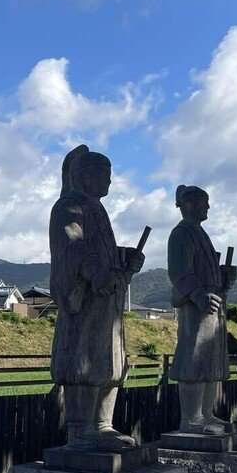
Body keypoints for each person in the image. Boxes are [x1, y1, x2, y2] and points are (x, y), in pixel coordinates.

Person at [49, 146, 146, 449]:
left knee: (110, 362)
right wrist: (95, 272)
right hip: (86, 299)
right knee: (84, 359)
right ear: (86, 175)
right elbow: (73, 247)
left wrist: (123, 257)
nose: (110, 181)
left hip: (106, 303)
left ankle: (103, 425)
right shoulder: (70, 206)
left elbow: (101, 250)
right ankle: (80, 430)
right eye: (106, 175)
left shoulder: (95, 208)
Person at [167, 185, 236, 433]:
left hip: (212, 305)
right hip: (196, 306)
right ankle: (191, 418)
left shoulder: (199, 232)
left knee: (210, 360)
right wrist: (197, 293)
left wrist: (223, 277)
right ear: (187, 204)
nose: (207, 207)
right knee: (194, 358)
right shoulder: (182, 233)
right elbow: (179, 270)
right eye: (203, 202)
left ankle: (206, 413)